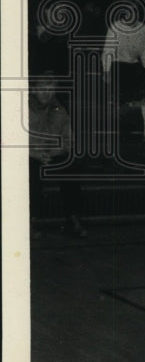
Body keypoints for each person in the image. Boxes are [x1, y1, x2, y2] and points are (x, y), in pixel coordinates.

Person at [28, 73, 86, 238]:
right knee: (30, 172)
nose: (46, 92)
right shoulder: (23, 108)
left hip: (51, 154)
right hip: (30, 155)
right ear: (34, 90)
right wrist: (35, 153)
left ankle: (72, 219)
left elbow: (69, 140)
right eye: (42, 88)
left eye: (50, 88)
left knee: (71, 167)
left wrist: (54, 152)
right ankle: (29, 221)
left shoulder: (60, 110)